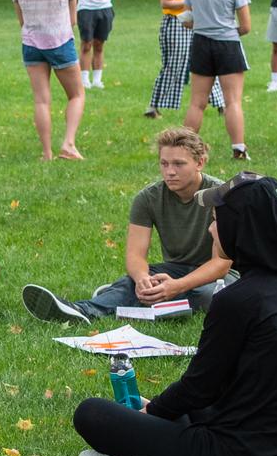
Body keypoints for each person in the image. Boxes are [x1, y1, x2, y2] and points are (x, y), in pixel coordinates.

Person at [71, 174, 277, 456]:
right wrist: (159, 408)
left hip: (240, 451)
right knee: (165, 410)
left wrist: (153, 411)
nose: (210, 229)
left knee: (92, 413)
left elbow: (200, 387)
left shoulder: (240, 300)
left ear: (240, 228)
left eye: (217, 220)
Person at [22, 127, 231, 324]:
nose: (170, 172)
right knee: (139, 281)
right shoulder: (148, 198)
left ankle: (121, 296)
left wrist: (177, 286)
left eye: (179, 164)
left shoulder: (221, 196)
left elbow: (220, 264)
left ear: (200, 163)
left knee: (208, 296)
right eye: (164, 164)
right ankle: (82, 310)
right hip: (174, 270)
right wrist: (141, 279)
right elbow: (135, 255)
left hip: (223, 277)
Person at [10, 0, 84, 161]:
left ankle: (46, 153)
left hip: (31, 45)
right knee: (77, 95)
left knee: (41, 100)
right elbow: (72, 19)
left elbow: (21, 21)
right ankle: (68, 144)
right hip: (60, 42)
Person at [183, 0, 253, 160]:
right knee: (232, 101)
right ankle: (239, 148)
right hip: (228, 45)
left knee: (197, 102)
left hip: (201, 44)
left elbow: (187, 19)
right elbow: (246, 26)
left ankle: (184, 148)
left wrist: (204, 25)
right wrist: (227, 30)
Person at [146, 0, 222, 119]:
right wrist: (189, 1)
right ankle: (153, 107)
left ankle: (221, 104)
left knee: (209, 63)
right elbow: (165, 3)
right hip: (176, 23)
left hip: (198, 23)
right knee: (174, 65)